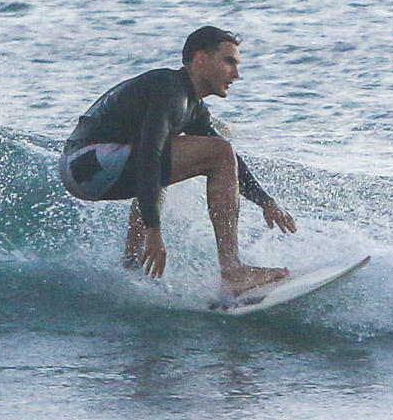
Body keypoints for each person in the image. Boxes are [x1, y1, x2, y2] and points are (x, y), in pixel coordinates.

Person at [59, 26, 297, 295]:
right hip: (88, 161)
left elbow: (218, 158)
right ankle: (233, 270)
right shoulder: (170, 91)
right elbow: (151, 156)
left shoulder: (191, 105)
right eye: (229, 61)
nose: (236, 74)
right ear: (201, 60)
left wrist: (266, 202)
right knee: (211, 152)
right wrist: (154, 230)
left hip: (84, 170)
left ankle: (131, 264)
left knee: (195, 152)